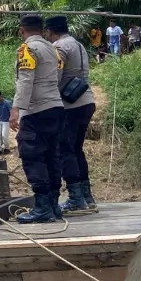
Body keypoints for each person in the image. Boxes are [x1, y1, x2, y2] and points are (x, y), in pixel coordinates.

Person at [10, 14, 64, 224]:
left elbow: (25, 80)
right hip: (56, 108)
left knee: (32, 154)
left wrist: (16, 109)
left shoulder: (27, 49)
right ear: (42, 30)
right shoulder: (52, 48)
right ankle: (53, 205)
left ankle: (42, 207)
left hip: (37, 110)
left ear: (21, 31)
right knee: (52, 155)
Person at [46, 16, 98, 215]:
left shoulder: (59, 48)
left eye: (47, 33)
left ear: (50, 31)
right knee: (76, 150)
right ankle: (87, 196)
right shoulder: (78, 44)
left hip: (70, 105)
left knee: (64, 150)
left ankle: (76, 199)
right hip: (86, 101)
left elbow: (55, 77)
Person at [0, 91, 12, 155]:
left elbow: (11, 112)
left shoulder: (7, 103)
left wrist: (11, 121)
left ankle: (7, 148)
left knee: (4, 136)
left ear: (1, 96)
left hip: (6, 121)